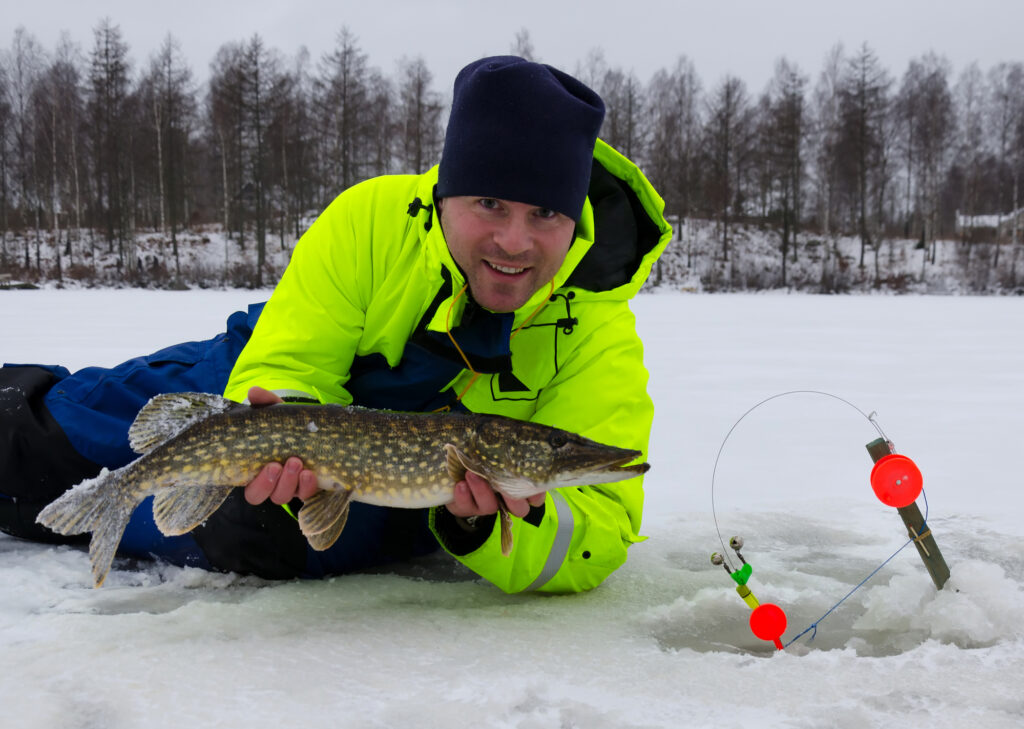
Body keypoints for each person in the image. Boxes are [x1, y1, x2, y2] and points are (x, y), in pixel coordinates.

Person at [0, 56, 672, 593]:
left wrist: (484, 525)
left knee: (252, 533)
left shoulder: (597, 333)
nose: (515, 242)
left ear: (574, 214)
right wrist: (285, 412)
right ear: (446, 194)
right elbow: (288, 363)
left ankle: (115, 514)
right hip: (249, 383)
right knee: (33, 436)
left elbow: (598, 534)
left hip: (388, 504)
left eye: (545, 214)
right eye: (489, 203)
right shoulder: (372, 219)